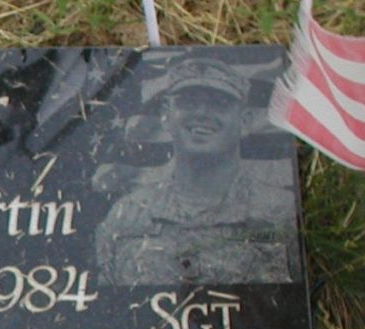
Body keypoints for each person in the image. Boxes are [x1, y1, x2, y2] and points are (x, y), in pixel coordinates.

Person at [95, 58, 299, 286]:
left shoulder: (281, 211)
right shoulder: (127, 214)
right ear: (166, 115)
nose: (202, 113)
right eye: (188, 102)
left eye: (220, 103)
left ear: (245, 121)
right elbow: (109, 304)